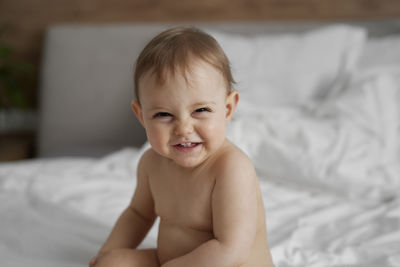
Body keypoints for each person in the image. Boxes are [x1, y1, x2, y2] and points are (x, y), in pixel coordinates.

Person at [89, 26, 274, 267]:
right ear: (141, 115)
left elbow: (231, 250)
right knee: (113, 264)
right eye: (164, 114)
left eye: (200, 110)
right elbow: (138, 214)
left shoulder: (231, 169)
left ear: (227, 109)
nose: (184, 129)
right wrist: (107, 253)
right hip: (170, 262)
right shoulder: (151, 164)